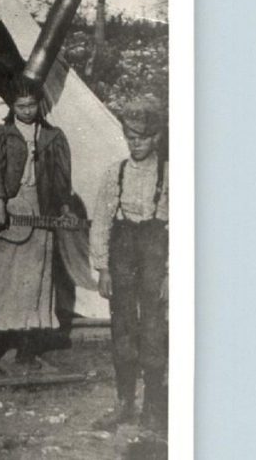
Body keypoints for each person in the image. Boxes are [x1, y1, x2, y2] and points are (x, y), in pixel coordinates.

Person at [0, 78, 76, 370]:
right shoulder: (0, 134)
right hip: (6, 209)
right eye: (20, 106)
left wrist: (62, 207)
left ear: (40, 104)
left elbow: (62, 179)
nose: (26, 111)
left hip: (39, 211)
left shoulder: (54, 136)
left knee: (32, 278)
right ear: (11, 106)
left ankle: (27, 345)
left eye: (32, 105)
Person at [90, 103, 169, 434]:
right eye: (130, 137)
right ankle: (124, 404)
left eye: (142, 138)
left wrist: (170, 272)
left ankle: (152, 405)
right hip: (122, 255)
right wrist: (103, 268)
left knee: (152, 329)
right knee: (122, 327)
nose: (135, 144)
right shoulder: (115, 173)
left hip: (153, 254)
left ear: (156, 137)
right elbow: (101, 222)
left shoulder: (169, 175)